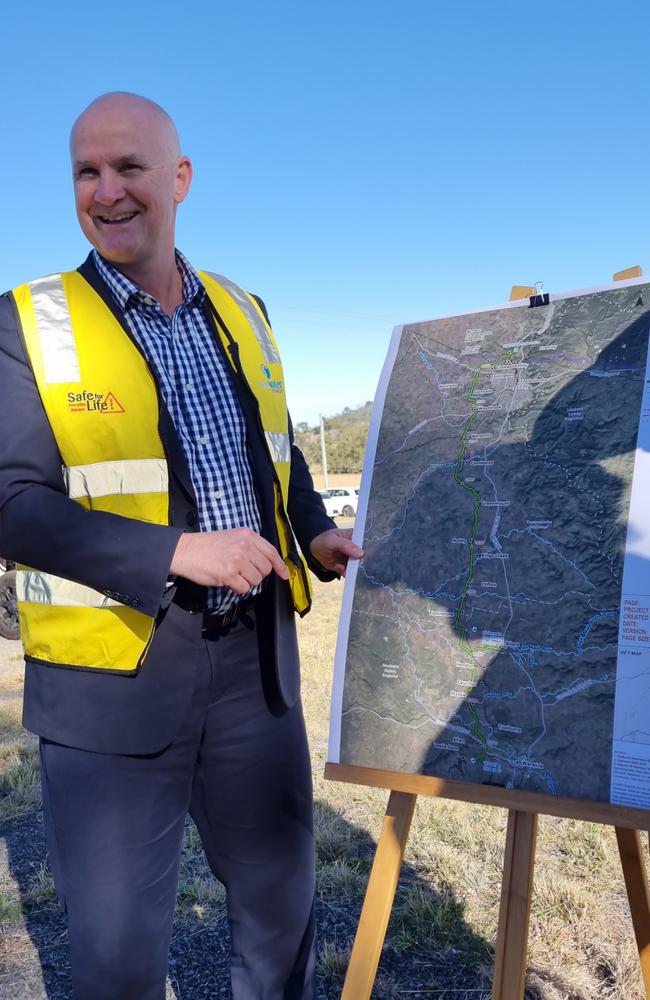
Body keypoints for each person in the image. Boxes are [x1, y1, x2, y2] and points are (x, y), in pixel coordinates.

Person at [0, 92, 362, 1000]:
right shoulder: (25, 325)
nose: (107, 191)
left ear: (180, 179)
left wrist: (314, 531)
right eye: (87, 171)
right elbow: (11, 503)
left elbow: (277, 458)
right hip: (110, 691)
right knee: (120, 965)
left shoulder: (244, 308)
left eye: (129, 168)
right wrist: (174, 552)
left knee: (281, 931)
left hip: (257, 674)